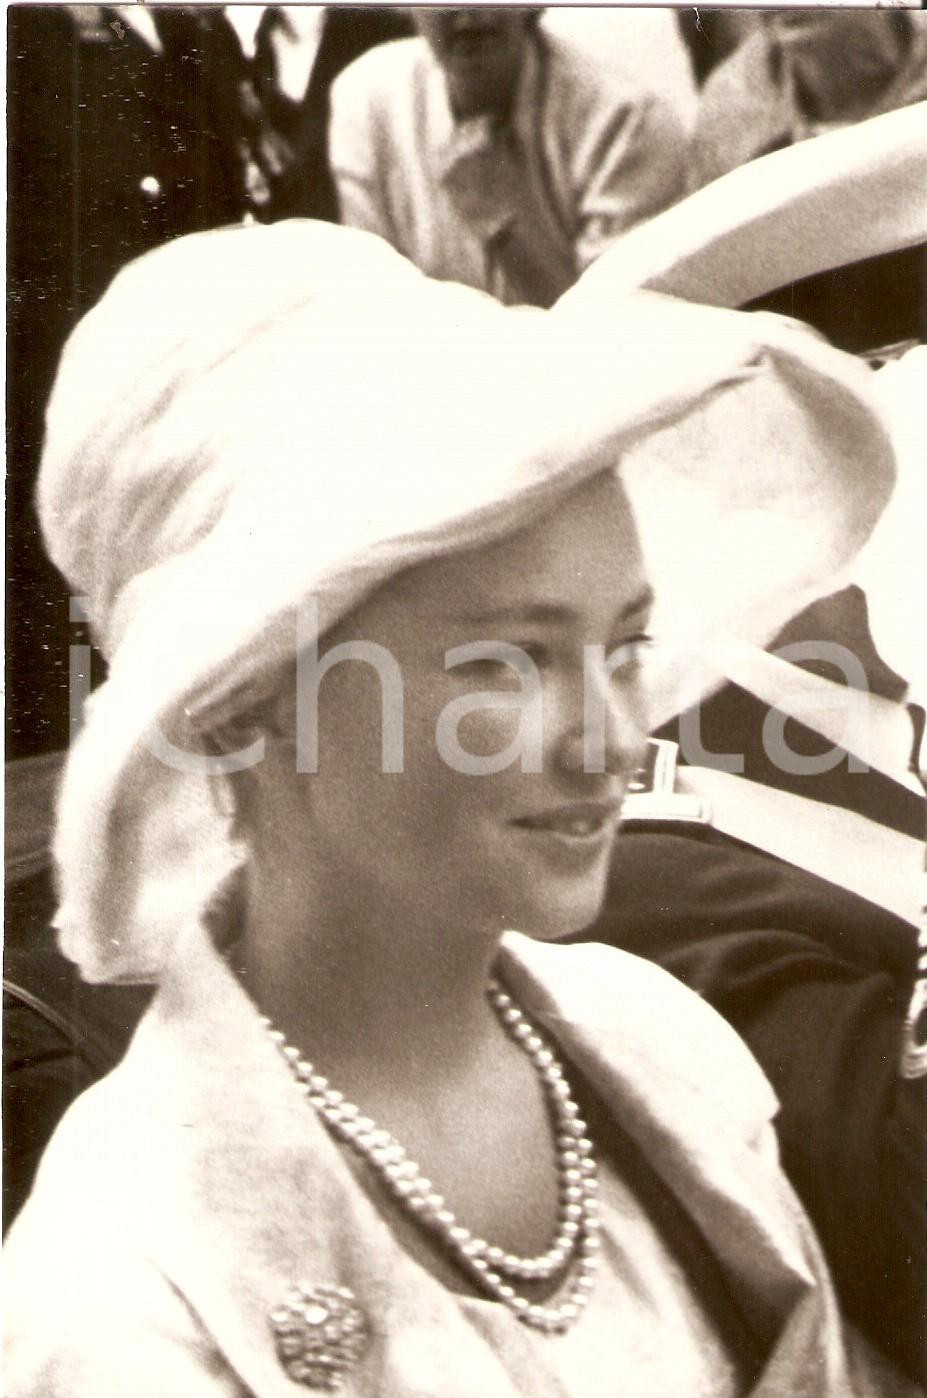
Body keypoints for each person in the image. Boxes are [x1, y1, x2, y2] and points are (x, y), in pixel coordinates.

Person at [2, 218, 906, 1395]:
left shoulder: (668, 1049)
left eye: (624, 646)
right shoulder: (125, 1292)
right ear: (237, 706)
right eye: (506, 664)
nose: (611, 737)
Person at [329, 8, 686, 306]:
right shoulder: (366, 101)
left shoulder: (625, 123)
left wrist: (505, 224)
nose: (466, 12)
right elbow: (372, 306)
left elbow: (614, 335)